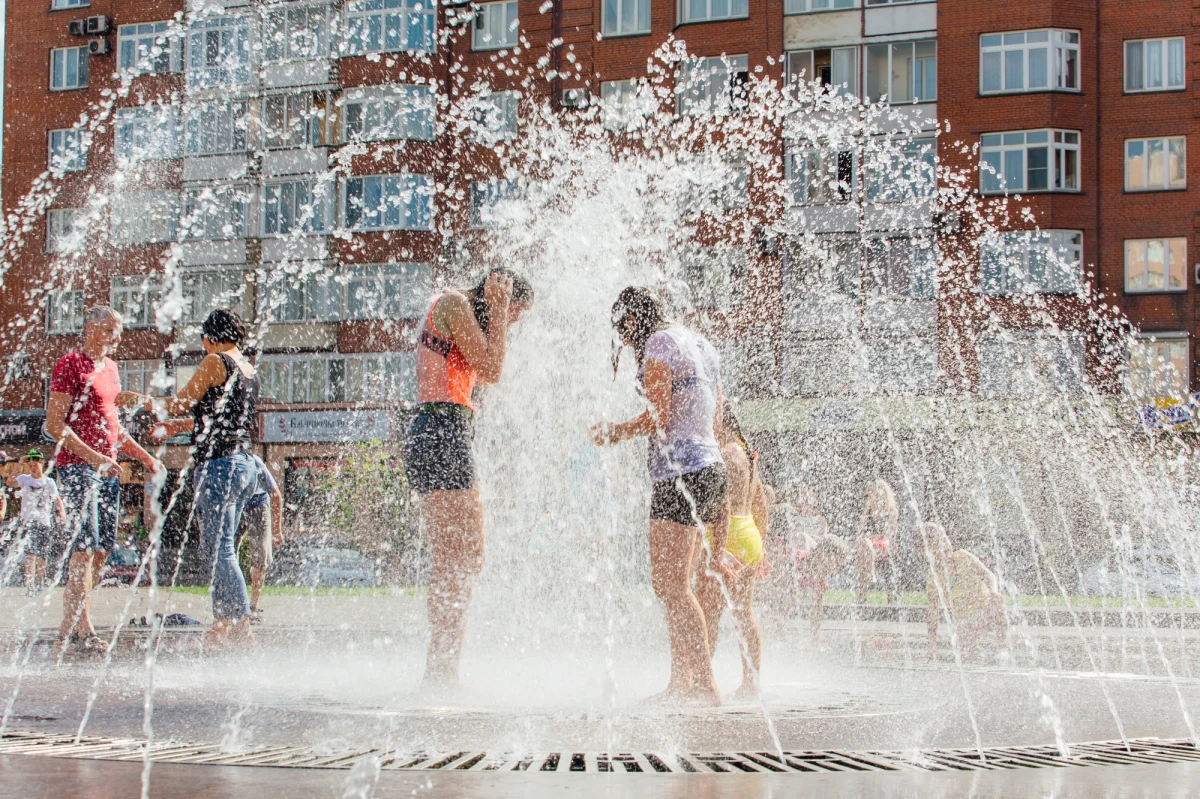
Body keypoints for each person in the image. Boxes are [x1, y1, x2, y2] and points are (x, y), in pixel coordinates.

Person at [591, 286, 732, 706]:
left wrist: (613, 432)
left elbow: (659, 416)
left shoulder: (657, 343)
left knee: (670, 585)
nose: (626, 341)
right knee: (679, 586)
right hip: (710, 469)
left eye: (624, 331)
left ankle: (704, 687)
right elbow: (717, 417)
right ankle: (681, 684)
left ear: (632, 321)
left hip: (680, 473)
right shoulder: (700, 343)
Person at [403, 268, 534, 685]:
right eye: (516, 311)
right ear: (499, 294)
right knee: (458, 559)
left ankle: (441, 667)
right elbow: (493, 370)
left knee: (462, 559)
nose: (512, 322)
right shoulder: (456, 303)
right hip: (440, 431)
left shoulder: (457, 312)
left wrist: (498, 315)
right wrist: (496, 312)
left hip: (445, 431)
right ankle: (439, 669)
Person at [47, 306, 162, 653]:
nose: (118, 338)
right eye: (113, 330)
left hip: (107, 471)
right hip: (79, 469)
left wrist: (144, 457)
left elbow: (113, 427)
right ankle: (73, 630)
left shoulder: (110, 369)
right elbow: (55, 426)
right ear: (92, 328)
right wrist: (95, 457)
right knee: (83, 550)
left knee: (102, 551)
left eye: (120, 332)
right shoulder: (70, 364)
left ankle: (79, 623)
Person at [147, 309, 260, 649]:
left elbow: (183, 402)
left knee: (220, 548)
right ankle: (222, 625)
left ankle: (242, 628)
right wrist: (179, 427)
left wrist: (144, 401)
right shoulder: (248, 368)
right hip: (244, 464)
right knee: (219, 547)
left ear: (208, 339)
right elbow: (215, 418)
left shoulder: (215, 361)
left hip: (219, 466)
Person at [696, 407, 771, 702]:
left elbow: (721, 505)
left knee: (708, 614)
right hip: (749, 533)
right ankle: (751, 684)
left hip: (725, 537)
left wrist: (718, 548)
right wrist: (760, 548)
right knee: (743, 614)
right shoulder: (747, 453)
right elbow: (761, 504)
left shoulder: (722, 453)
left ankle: (703, 682)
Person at [921, 522, 1009, 661]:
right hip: (965, 621)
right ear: (927, 549)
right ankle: (973, 648)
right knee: (963, 645)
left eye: (944, 538)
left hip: (985, 608)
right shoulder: (934, 577)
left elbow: (988, 575)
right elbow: (933, 612)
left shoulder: (962, 556)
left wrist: (993, 591)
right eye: (938, 540)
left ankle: (1002, 647)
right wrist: (932, 646)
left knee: (998, 601)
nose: (944, 543)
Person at [9, 450, 68, 595]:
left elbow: (56, 498)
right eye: (30, 460)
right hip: (28, 522)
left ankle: (39, 583)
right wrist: (19, 464)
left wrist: (61, 512)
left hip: (44, 522)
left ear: (42, 462)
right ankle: (30, 585)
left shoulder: (49, 482)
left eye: (36, 459)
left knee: (42, 555)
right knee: (30, 553)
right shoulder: (25, 479)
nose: (33, 462)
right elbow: (9, 482)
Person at [239, 454, 284, 620]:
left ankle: (253, 605)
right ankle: (235, 602)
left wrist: (276, 531)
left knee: (261, 558)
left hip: (258, 504)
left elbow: (276, 495)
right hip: (236, 503)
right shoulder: (224, 460)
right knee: (227, 553)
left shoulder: (254, 461)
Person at [794, 533, 849, 643]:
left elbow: (817, 607)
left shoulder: (823, 572)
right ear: (822, 554)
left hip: (810, 573)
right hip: (792, 576)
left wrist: (815, 636)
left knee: (818, 601)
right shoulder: (800, 559)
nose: (836, 568)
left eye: (839, 564)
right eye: (836, 562)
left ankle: (814, 635)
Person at [853, 478, 899, 605]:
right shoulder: (867, 512)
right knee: (864, 545)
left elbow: (887, 535)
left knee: (864, 550)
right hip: (868, 546)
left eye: (875, 493)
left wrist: (869, 537)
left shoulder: (891, 512)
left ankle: (863, 591)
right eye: (870, 493)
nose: (873, 496)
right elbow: (859, 533)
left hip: (884, 546)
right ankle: (870, 576)